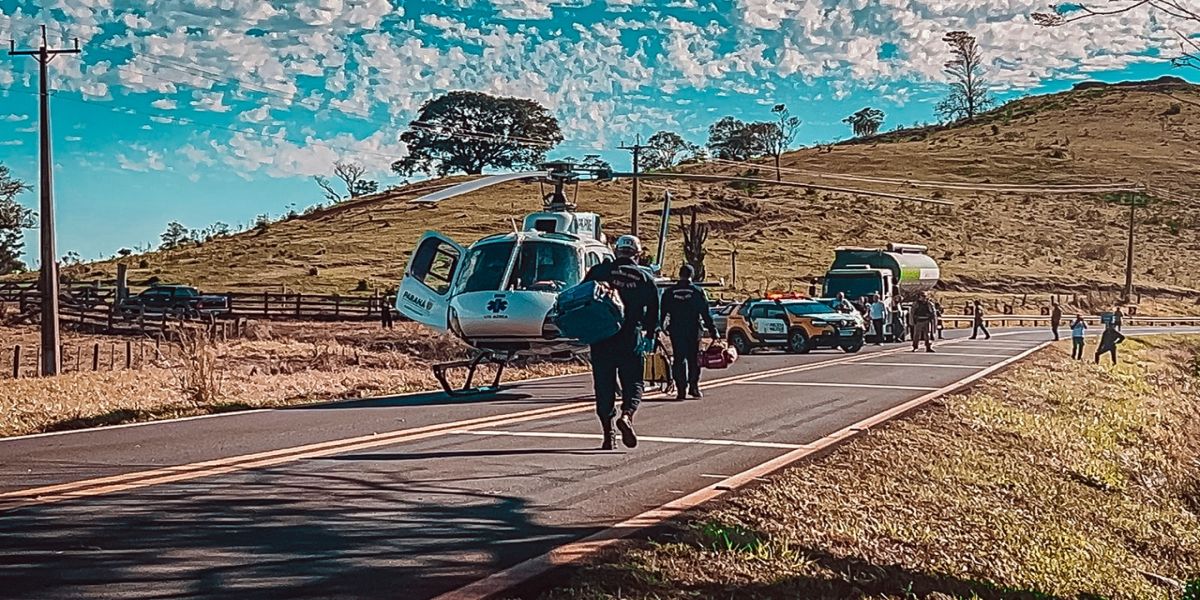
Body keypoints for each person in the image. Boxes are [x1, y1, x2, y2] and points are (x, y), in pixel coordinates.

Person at [584, 235, 659, 450]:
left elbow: (581, 295)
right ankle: (627, 415)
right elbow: (654, 311)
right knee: (634, 382)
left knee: (604, 385)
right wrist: (651, 335)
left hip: (601, 337)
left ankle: (608, 435)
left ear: (616, 251)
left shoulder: (600, 271)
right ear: (637, 254)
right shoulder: (644, 277)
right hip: (630, 337)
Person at [661, 264, 718, 400]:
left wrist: (662, 326)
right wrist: (712, 329)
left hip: (676, 329)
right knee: (694, 359)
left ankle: (681, 390)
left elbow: (663, 312)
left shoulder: (669, 292)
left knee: (679, 359)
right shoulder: (697, 292)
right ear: (691, 275)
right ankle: (694, 387)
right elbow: (705, 313)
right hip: (693, 329)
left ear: (679, 274)